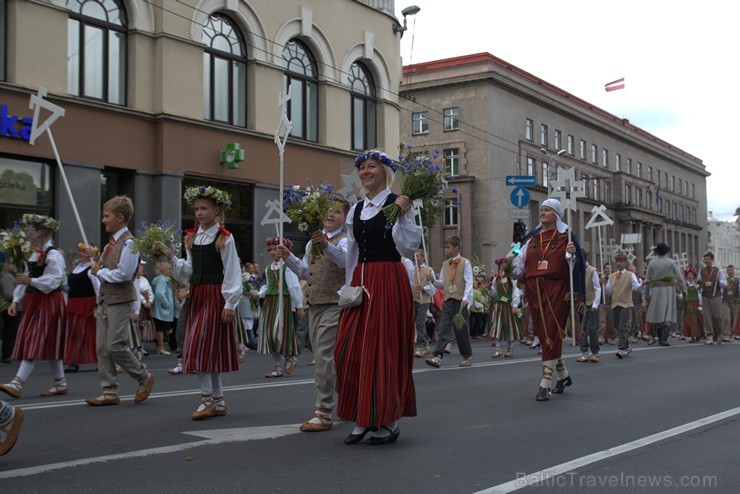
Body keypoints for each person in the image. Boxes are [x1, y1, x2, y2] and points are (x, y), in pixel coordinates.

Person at [336, 149, 421, 446]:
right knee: (349, 350)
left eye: (371, 166)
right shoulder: (356, 209)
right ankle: (363, 414)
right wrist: (349, 286)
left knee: (383, 350)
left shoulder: (396, 203)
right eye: (362, 168)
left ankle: (387, 420)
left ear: (385, 172)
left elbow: (409, 248)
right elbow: (353, 252)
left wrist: (405, 214)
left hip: (388, 278)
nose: (365, 172)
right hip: (363, 279)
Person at [164, 186, 242, 420]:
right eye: (196, 208)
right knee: (207, 348)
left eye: (204, 208)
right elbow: (188, 271)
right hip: (197, 294)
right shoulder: (192, 236)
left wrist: (230, 303)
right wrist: (171, 257)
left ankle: (207, 398)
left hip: (215, 295)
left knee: (201, 345)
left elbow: (232, 270)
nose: (199, 213)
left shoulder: (224, 238)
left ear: (217, 210)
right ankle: (217, 401)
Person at [277, 196, 349, 432]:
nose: (331, 215)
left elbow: (345, 263)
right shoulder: (312, 243)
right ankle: (353, 400)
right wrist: (288, 256)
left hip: (336, 303)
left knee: (324, 358)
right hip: (314, 304)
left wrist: (327, 245)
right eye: (328, 211)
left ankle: (324, 412)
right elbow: (307, 272)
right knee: (329, 361)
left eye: (337, 212)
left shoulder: (347, 240)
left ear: (346, 218)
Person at [512, 199, 585, 402]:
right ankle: (564, 376)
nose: (542, 213)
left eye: (547, 210)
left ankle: (545, 383)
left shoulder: (566, 237)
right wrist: (512, 270)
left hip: (556, 288)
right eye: (541, 210)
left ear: (557, 215)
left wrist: (571, 256)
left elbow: (576, 266)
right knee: (544, 333)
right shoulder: (531, 239)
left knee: (552, 330)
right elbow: (520, 262)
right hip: (534, 290)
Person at [86, 196, 155, 406]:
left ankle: (143, 377)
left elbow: (124, 274)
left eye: (106, 216)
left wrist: (100, 270)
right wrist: (96, 258)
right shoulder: (111, 244)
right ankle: (109, 391)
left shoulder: (130, 243)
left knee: (115, 346)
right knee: (101, 347)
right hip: (105, 300)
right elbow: (106, 270)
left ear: (119, 217)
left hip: (120, 301)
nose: (103, 220)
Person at [0, 214, 67, 399]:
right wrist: (15, 300)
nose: (30, 233)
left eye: (33, 229)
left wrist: (31, 280)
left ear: (42, 232)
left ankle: (17, 383)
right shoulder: (35, 253)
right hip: (35, 300)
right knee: (49, 342)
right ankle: (60, 382)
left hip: (49, 301)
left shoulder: (53, 254)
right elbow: (24, 278)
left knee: (34, 339)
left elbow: (54, 281)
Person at [425, 235, 474, 368]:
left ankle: (467, 356)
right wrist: (433, 280)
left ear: (456, 248)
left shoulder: (465, 263)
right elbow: (442, 284)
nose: (445, 250)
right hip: (448, 300)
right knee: (443, 328)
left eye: (448, 247)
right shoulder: (444, 265)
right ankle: (437, 356)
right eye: (445, 247)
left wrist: (466, 299)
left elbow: (469, 283)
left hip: (460, 301)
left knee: (461, 330)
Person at [258, 238, 304, 377]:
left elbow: (294, 286)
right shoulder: (268, 268)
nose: (273, 252)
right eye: (270, 249)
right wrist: (258, 294)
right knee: (270, 335)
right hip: (270, 302)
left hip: (282, 301)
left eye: (276, 249)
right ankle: (278, 367)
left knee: (281, 333)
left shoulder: (287, 267)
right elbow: (267, 285)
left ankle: (290, 356)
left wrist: (299, 305)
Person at [64, 244, 100, 372]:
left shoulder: (91, 269)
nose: (80, 253)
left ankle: (99, 361)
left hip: (87, 304)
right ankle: (73, 361)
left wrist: (98, 304)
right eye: (80, 251)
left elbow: (97, 287)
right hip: (74, 302)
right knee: (74, 333)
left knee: (90, 333)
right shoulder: (77, 267)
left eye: (84, 251)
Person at [642, 243, 685, 348]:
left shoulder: (652, 263)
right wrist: (684, 291)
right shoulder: (671, 262)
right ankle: (664, 338)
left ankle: (660, 337)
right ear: (666, 251)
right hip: (668, 289)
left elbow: (647, 280)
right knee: (667, 314)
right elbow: (679, 278)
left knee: (658, 314)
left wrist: (646, 296)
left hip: (656, 290)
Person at [605, 254, 643, 356]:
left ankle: (621, 349)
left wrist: (643, 284)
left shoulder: (630, 275)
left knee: (623, 326)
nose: (619, 263)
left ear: (625, 263)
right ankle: (627, 346)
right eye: (617, 261)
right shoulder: (611, 276)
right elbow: (608, 292)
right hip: (615, 304)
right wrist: (604, 285)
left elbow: (636, 288)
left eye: (621, 262)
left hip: (626, 304)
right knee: (617, 326)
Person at [488, 257, 522, 358]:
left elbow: (516, 292)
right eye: (500, 266)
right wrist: (489, 289)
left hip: (508, 305)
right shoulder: (496, 279)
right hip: (499, 306)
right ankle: (498, 350)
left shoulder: (511, 279)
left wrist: (515, 305)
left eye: (504, 266)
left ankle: (509, 350)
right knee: (497, 327)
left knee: (509, 327)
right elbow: (493, 293)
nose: (502, 268)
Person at [695, 252, 727, 345]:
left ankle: (720, 333)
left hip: (716, 296)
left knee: (717, 317)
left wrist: (719, 281)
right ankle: (709, 336)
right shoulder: (701, 271)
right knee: (707, 317)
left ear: (712, 260)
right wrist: (698, 286)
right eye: (705, 259)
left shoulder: (718, 271)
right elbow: (698, 281)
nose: (706, 261)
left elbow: (724, 284)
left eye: (708, 259)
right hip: (705, 296)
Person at [576, 248, 601, 362]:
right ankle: (584, 351)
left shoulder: (592, 271)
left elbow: (597, 288)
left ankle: (595, 352)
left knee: (592, 328)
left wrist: (596, 304)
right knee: (582, 328)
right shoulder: (576, 271)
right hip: (581, 304)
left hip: (591, 303)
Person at [410, 249, 435, 357]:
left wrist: (423, 288)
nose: (416, 258)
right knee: (416, 323)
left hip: (423, 300)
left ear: (423, 257)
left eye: (418, 256)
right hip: (413, 298)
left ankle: (421, 345)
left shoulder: (429, 270)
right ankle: (426, 345)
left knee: (420, 322)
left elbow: (433, 289)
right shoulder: (412, 269)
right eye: (414, 256)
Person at [151, 262, 176, 355]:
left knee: (161, 328)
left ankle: (160, 347)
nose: (170, 271)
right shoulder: (163, 280)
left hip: (160, 308)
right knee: (160, 328)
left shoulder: (162, 279)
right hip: (162, 309)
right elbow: (159, 293)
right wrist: (166, 303)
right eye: (168, 269)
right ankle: (161, 347)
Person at [1, 261, 20, 365]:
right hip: (10, 307)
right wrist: (20, 298)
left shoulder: (11, 276)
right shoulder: (7, 277)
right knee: (10, 331)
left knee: (13, 331)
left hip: (14, 307)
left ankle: (11, 353)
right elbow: (9, 294)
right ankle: (6, 354)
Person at [682, 267, 703, 343]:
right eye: (688, 274)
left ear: (694, 275)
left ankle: (698, 335)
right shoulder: (685, 285)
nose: (689, 276)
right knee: (690, 320)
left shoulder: (697, 284)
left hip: (696, 303)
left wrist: (700, 304)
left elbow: (700, 294)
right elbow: (682, 296)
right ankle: (692, 336)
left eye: (691, 274)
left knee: (697, 319)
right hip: (688, 304)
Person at [722, 265, 737, 341]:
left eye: (731, 270)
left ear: (733, 271)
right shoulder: (724, 280)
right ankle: (726, 334)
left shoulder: (737, 280)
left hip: (734, 302)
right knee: (727, 318)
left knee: (733, 319)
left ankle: (731, 334)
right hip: (726, 301)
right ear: (727, 272)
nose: (730, 271)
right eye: (729, 270)